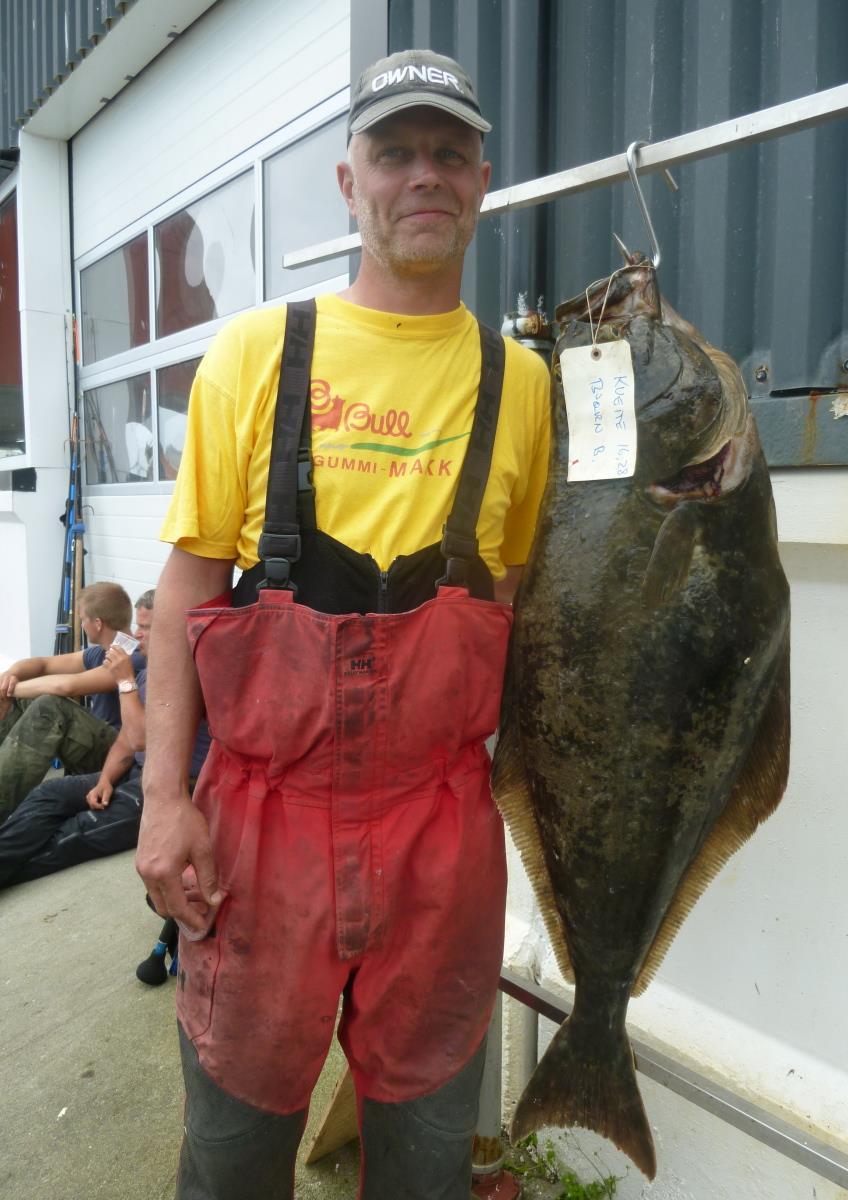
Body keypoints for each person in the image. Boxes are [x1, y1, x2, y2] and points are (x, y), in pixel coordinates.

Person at [136, 48, 550, 1200]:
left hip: (439, 837)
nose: (425, 173)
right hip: (260, 832)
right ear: (347, 177)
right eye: (395, 151)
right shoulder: (254, 357)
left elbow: (508, 605)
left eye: (449, 152)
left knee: (423, 1163)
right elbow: (183, 592)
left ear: (481, 178)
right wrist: (167, 797)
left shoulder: (523, 388)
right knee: (229, 1160)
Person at [0, 591, 210, 887]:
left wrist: (124, 680)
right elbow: (126, 739)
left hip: (175, 788)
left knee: (72, 835)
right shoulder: (149, 670)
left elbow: (139, 739)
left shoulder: (181, 675)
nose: (136, 634)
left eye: (146, 628)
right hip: (134, 772)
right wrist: (106, 778)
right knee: (50, 795)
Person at [0, 581, 146, 818]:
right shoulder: (102, 652)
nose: (81, 625)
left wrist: (10, 689)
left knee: (49, 705)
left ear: (97, 624)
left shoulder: (132, 657)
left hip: (120, 758)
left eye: (82, 619)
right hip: (99, 744)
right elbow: (43, 664)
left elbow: (66, 686)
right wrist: (10, 675)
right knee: (25, 698)